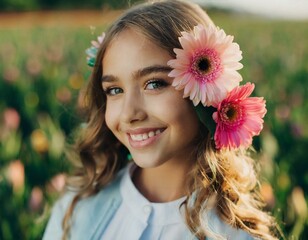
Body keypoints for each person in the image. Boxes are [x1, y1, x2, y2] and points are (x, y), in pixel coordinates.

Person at [43, 0, 280, 239]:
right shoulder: (77, 208)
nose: (128, 113)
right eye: (114, 90)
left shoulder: (237, 235)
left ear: (208, 84)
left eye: (154, 84)